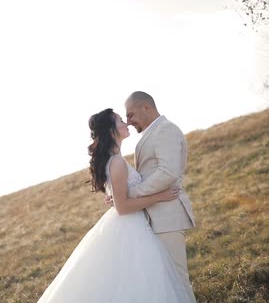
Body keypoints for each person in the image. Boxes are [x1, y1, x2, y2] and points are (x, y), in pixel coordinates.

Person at [37, 108, 196, 303]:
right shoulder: (117, 162)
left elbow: (121, 198)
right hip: (130, 227)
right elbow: (123, 207)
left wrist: (121, 198)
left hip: (131, 224)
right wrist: (160, 196)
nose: (126, 123)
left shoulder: (115, 160)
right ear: (112, 130)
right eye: (120, 120)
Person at [106, 91, 196, 300]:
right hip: (150, 218)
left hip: (167, 215)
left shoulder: (165, 130)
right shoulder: (148, 135)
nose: (128, 121)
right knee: (163, 281)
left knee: (177, 280)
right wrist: (119, 196)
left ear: (146, 107)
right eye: (125, 118)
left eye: (130, 115)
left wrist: (129, 195)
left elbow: (168, 172)